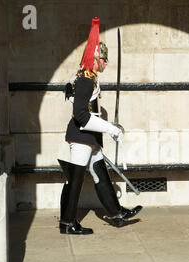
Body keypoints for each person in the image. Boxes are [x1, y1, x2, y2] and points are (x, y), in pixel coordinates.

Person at [58, 18, 142, 235]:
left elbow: (69, 89)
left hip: (89, 136)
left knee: (99, 173)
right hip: (81, 135)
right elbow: (82, 115)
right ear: (95, 59)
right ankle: (68, 223)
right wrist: (111, 128)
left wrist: (69, 90)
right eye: (103, 59)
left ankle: (116, 213)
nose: (106, 63)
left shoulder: (85, 76)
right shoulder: (86, 79)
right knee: (75, 180)